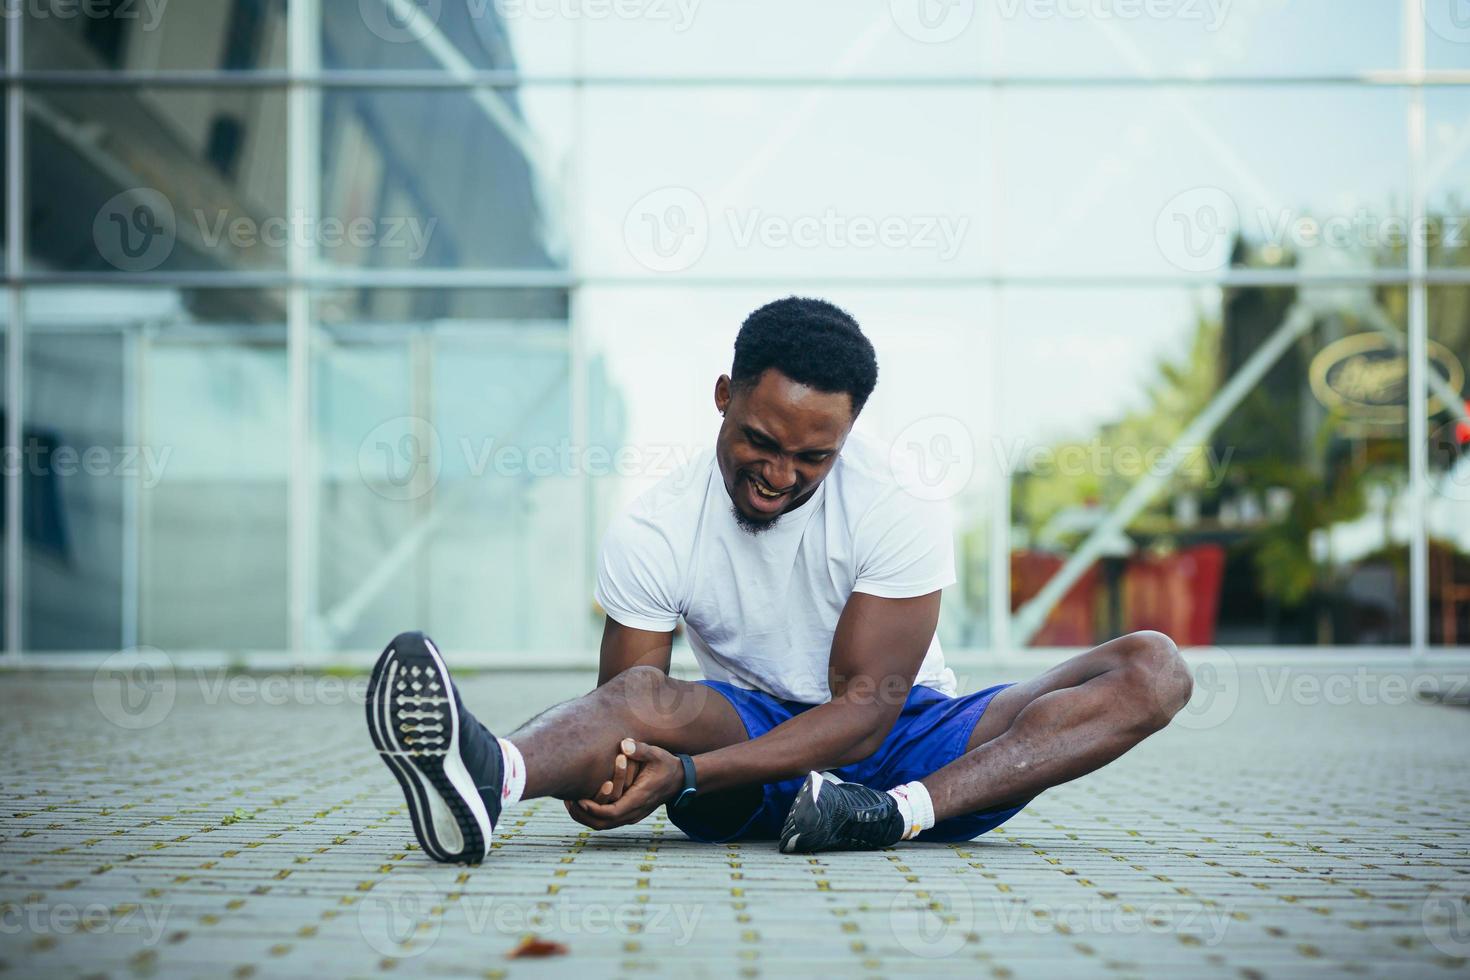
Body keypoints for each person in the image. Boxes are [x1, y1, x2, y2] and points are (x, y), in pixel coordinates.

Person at [365, 296, 1193, 863]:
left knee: (1154, 668)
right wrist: (612, 776)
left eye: (813, 456)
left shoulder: (896, 504)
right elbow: (624, 718)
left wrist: (685, 778)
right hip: (752, 747)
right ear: (723, 397)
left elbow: (866, 719)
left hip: (913, 746)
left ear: (851, 432)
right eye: (761, 439)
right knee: (647, 701)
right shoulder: (656, 527)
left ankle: (887, 820)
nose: (779, 474)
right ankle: (487, 780)